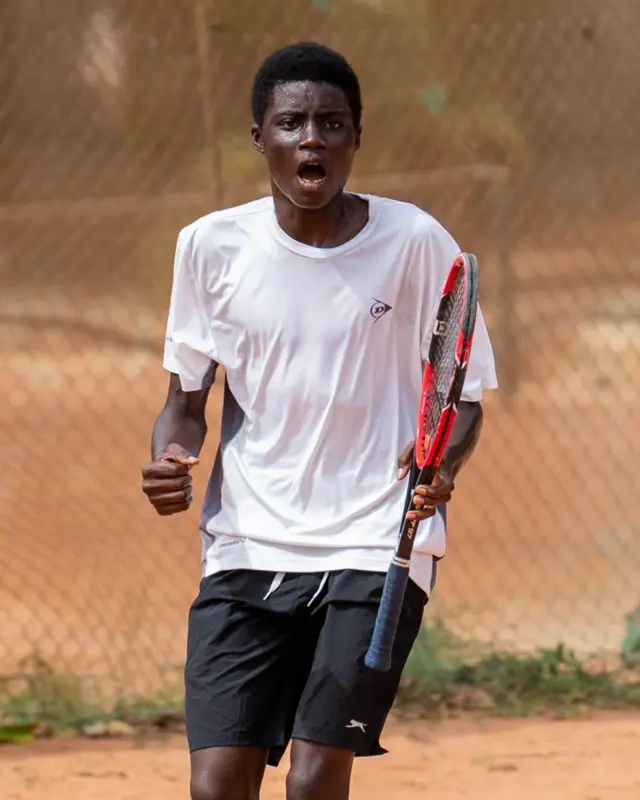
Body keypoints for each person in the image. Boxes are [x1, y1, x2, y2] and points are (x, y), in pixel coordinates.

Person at [141, 41, 497, 800]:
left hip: (375, 541)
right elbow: (185, 401)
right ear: (260, 138)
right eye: (292, 123)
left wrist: (443, 468)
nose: (312, 139)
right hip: (246, 542)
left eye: (332, 124)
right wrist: (173, 456)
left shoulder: (416, 244)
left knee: (311, 780)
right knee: (216, 786)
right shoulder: (210, 248)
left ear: (355, 139)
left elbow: (462, 400)